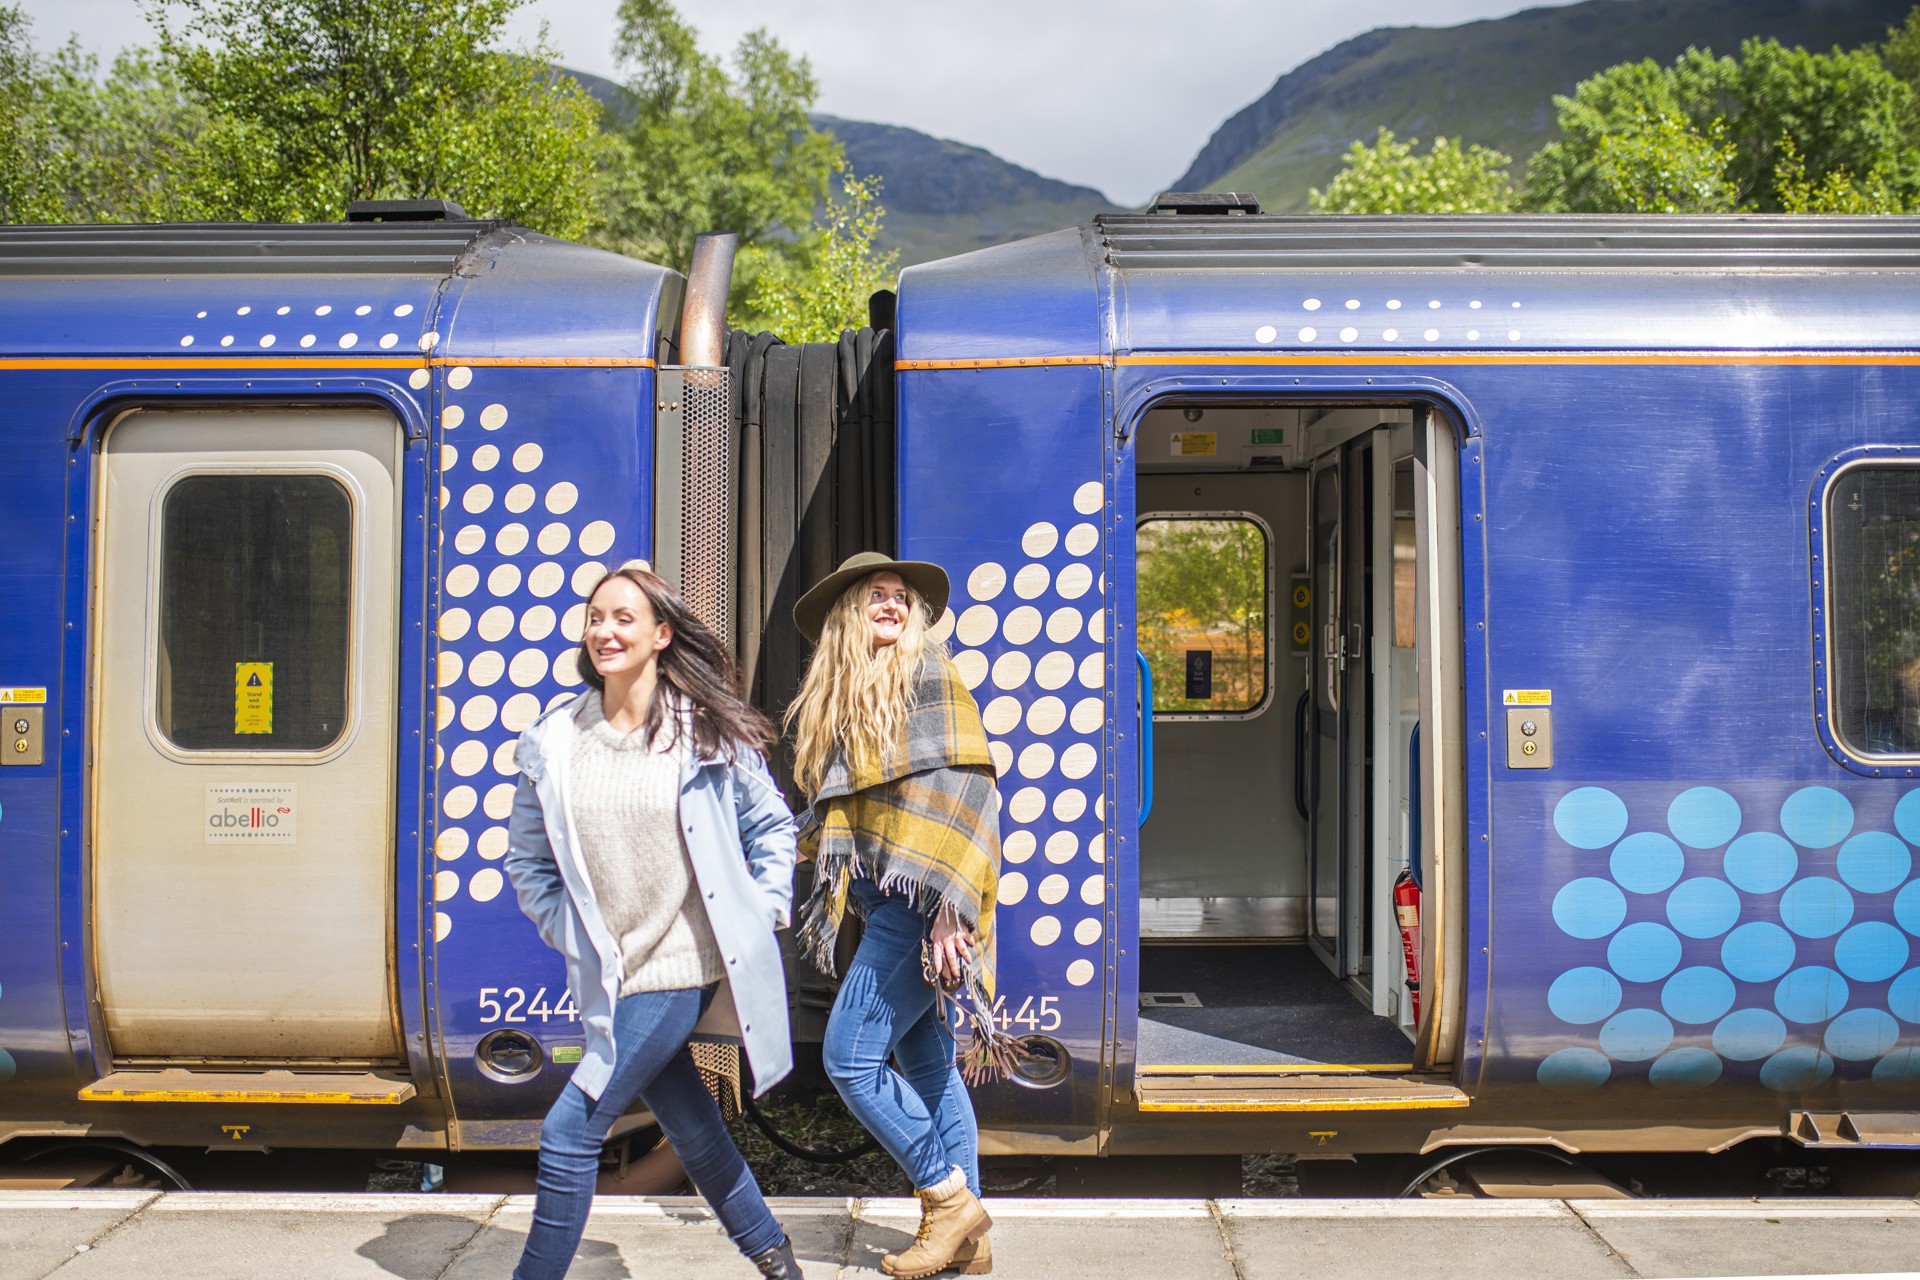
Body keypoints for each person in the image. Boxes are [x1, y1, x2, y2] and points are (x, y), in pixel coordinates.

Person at [505, 561, 801, 1280]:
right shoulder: (554, 741)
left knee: (568, 1133)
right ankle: (776, 1259)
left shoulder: (704, 735)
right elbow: (528, 861)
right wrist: (567, 931)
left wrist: (758, 911)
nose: (604, 631)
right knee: (693, 1129)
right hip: (614, 974)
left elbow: (772, 827)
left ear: (662, 634)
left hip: (680, 965)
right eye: (595, 618)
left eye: (623, 618)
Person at [786, 551, 1017, 1280]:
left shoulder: (928, 677)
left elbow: (971, 793)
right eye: (875, 595)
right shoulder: (851, 695)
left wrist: (950, 909)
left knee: (849, 1060)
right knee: (928, 1066)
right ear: (847, 615)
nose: (892, 604)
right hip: (889, 896)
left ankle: (947, 1200)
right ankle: (970, 1242)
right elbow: (846, 812)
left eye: (900, 596)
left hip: (923, 905)